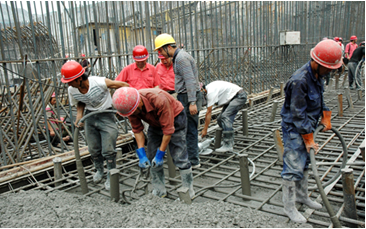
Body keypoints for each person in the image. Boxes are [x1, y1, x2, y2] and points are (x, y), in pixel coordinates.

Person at [280, 39, 342, 223]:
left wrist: (325, 113)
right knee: (293, 167)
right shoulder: (299, 81)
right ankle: (289, 207)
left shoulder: (318, 75)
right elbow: (297, 114)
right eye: (327, 68)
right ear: (316, 62)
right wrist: (308, 138)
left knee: (305, 162)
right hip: (295, 128)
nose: (330, 72)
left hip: (309, 124)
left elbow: (319, 98)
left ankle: (302, 196)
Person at [112, 87, 195, 199]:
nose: (134, 114)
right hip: (155, 122)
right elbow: (137, 130)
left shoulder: (159, 100)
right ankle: (159, 190)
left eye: (135, 111)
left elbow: (168, 131)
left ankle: (188, 192)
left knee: (179, 154)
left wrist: (160, 154)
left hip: (175, 117)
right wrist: (141, 154)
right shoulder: (129, 107)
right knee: (151, 156)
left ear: (139, 102)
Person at [60, 61, 129, 190]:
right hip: (90, 117)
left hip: (106, 115)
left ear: (80, 78)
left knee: (108, 149)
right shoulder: (72, 89)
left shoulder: (99, 82)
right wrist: (79, 115)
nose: (68, 84)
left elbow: (123, 85)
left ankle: (110, 174)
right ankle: (99, 170)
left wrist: (120, 102)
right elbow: (79, 102)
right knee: (93, 148)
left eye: (70, 81)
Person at [154, 33, 203, 169]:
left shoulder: (181, 59)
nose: (160, 54)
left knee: (190, 130)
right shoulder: (179, 57)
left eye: (160, 50)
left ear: (168, 47)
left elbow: (190, 81)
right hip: (185, 96)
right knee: (187, 129)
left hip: (188, 96)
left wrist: (192, 102)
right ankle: (191, 159)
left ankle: (193, 161)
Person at [200, 81, 247, 152]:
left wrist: (205, 129)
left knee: (225, 117)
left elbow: (208, 112)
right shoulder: (209, 88)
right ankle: (228, 138)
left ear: (202, 90)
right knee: (219, 119)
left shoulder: (211, 92)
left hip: (239, 97)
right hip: (232, 98)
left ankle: (228, 144)